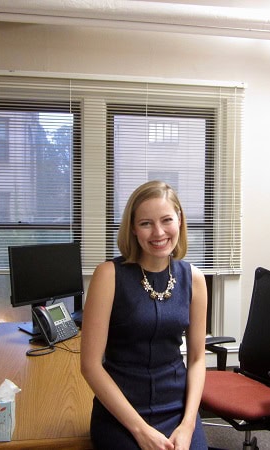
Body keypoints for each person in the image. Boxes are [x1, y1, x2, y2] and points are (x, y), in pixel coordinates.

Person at [81, 180, 209, 450]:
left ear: (180, 220)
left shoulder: (194, 279)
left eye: (166, 220)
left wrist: (188, 425)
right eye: (146, 223)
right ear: (133, 229)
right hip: (122, 411)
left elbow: (197, 358)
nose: (159, 232)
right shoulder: (108, 276)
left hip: (177, 408)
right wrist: (140, 430)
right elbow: (90, 365)